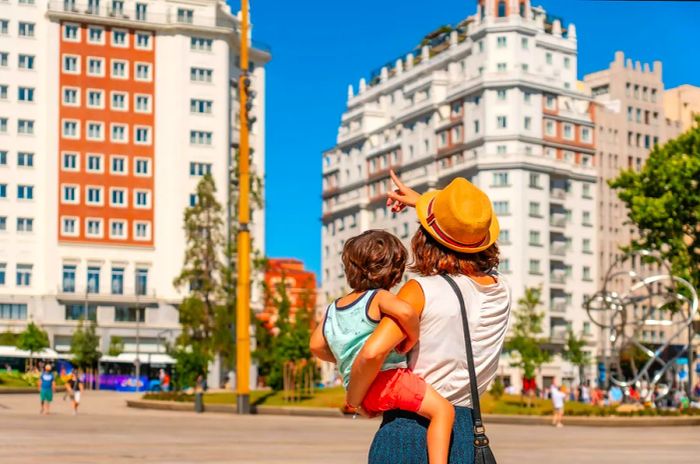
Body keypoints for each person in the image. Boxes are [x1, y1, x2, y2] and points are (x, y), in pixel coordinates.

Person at [343, 173, 511, 463]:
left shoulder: (420, 291)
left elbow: (371, 353)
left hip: (409, 432)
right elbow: (463, 231)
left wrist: (354, 401)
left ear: (426, 237)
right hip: (466, 433)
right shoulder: (501, 290)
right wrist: (427, 205)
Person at [310, 230, 455, 464]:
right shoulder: (377, 298)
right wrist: (411, 337)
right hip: (389, 380)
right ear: (396, 273)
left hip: (361, 389)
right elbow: (406, 312)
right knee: (443, 412)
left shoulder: (332, 308)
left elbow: (316, 346)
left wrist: (345, 354)